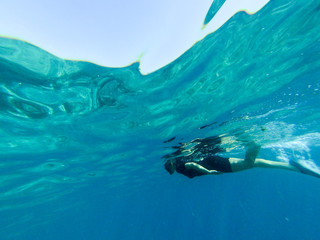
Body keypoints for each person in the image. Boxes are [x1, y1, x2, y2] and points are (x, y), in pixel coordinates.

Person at [164, 140, 320, 179]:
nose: (171, 171)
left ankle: (253, 143)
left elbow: (193, 165)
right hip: (214, 160)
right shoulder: (179, 163)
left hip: (216, 165)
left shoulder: (180, 166)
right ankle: (295, 166)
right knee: (256, 163)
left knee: (249, 162)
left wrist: (209, 172)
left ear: (171, 165)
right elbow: (192, 163)